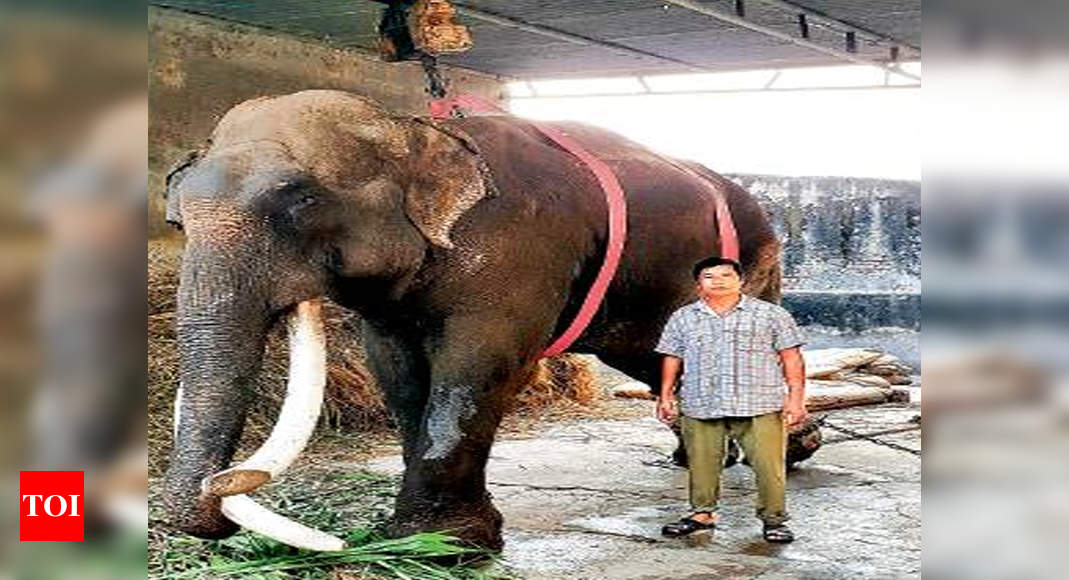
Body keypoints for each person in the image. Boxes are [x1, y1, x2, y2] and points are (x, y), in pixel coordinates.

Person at [655, 256, 807, 543]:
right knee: (700, 462)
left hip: (759, 401)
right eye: (709, 276)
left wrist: (796, 398)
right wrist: (665, 395)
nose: (719, 280)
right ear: (699, 284)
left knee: (768, 465)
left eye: (726, 275)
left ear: (741, 280)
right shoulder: (684, 317)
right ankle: (701, 514)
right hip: (701, 400)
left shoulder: (771, 315)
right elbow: (672, 356)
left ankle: (774, 519)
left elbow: (791, 357)